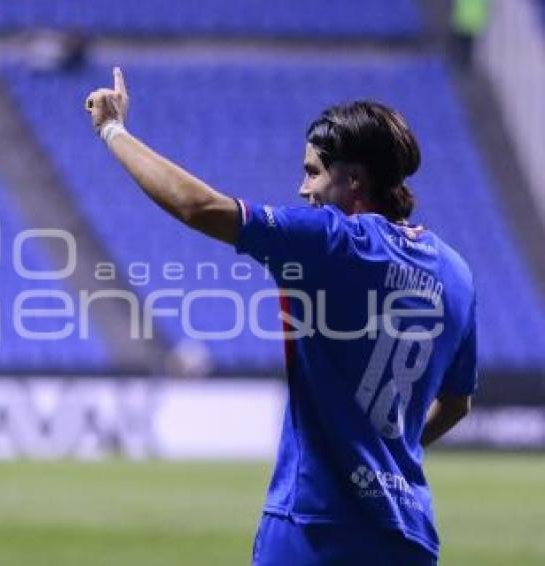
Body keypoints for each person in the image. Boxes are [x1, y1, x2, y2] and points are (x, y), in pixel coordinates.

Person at [85, 68, 476, 565]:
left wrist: (112, 130)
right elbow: (458, 403)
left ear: (353, 179)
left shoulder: (332, 240)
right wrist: (380, 456)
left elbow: (197, 206)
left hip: (313, 530)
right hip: (407, 539)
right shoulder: (457, 274)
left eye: (313, 171)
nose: (303, 188)